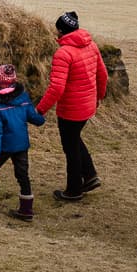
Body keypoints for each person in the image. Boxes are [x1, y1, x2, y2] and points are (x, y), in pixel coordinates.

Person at [37, 10, 108, 201]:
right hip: (87, 105)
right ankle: (91, 176)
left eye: (57, 30)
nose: (56, 33)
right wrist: (98, 97)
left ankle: (74, 190)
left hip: (71, 109)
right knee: (75, 140)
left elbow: (56, 88)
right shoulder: (91, 45)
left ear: (62, 31)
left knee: (71, 148)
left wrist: (40, 110)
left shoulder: (63, 53)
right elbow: (103, 74)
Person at [0, 63, 45, 221]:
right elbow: (34, 118)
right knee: (22, 175)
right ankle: (26, 209)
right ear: (14, 79)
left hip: (5, 146)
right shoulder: (24, 97)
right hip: (22, 145)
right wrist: (41, 118)